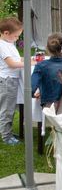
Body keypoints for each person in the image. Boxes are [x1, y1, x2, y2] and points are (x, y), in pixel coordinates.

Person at [0, 17, 24, 145]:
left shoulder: (9, 44)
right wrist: (27, 63)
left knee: (8, 108)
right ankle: (6, 136)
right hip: (8, 81)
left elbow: (16, 58)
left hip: (10, 80)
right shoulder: (2, 46)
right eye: (16, 36)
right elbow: (11, 64)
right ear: (6, 33)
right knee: (7, 110)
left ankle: (6, 131)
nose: (17, 38)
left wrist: (25, 59)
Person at [31, 33, 62, 109]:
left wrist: (35, 94)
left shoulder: (41, 66)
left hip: (49, 105)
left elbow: (31, 88)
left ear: (47, 48)